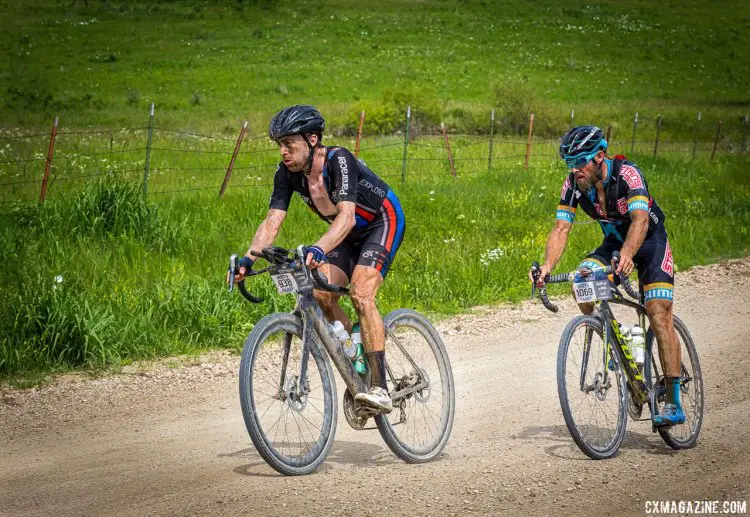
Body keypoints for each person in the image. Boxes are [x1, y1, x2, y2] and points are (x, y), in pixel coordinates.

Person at [233, 105, 405, 414]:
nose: (283, 151)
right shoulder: (287, 174)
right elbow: (272, 221)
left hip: (382, 222)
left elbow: (348, 216)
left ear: (312, 140)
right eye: (279, 145)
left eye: (289, 144)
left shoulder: (339, 160)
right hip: (347, 233)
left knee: (361, 294)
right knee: (322, 294)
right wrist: (248, 259)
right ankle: (357, 356)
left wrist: (318, 248)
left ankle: (380, 388)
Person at [529, 125, 684, 426]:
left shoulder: (629, 175)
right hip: (613, 244)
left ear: (600, 156)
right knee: (582, 281)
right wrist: (547, 266)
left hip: (650, 242)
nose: (575, 170)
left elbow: (639, 221)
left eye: (580, 162)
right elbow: (561, 228)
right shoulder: (574, 185)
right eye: (569, 164)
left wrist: (627, 257)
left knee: (658, 311)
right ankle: (611, 336)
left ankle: (674, 402)